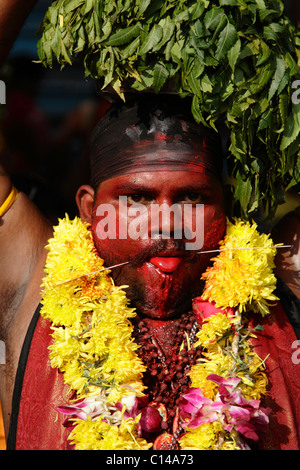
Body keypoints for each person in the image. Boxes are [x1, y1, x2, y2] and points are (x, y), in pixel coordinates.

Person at [0, 92, 300, 450]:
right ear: (89, 209)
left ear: (227, 206)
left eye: (192, 198)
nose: (166, 225)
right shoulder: (37, 278)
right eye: (138, 198)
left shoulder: (281, 277)